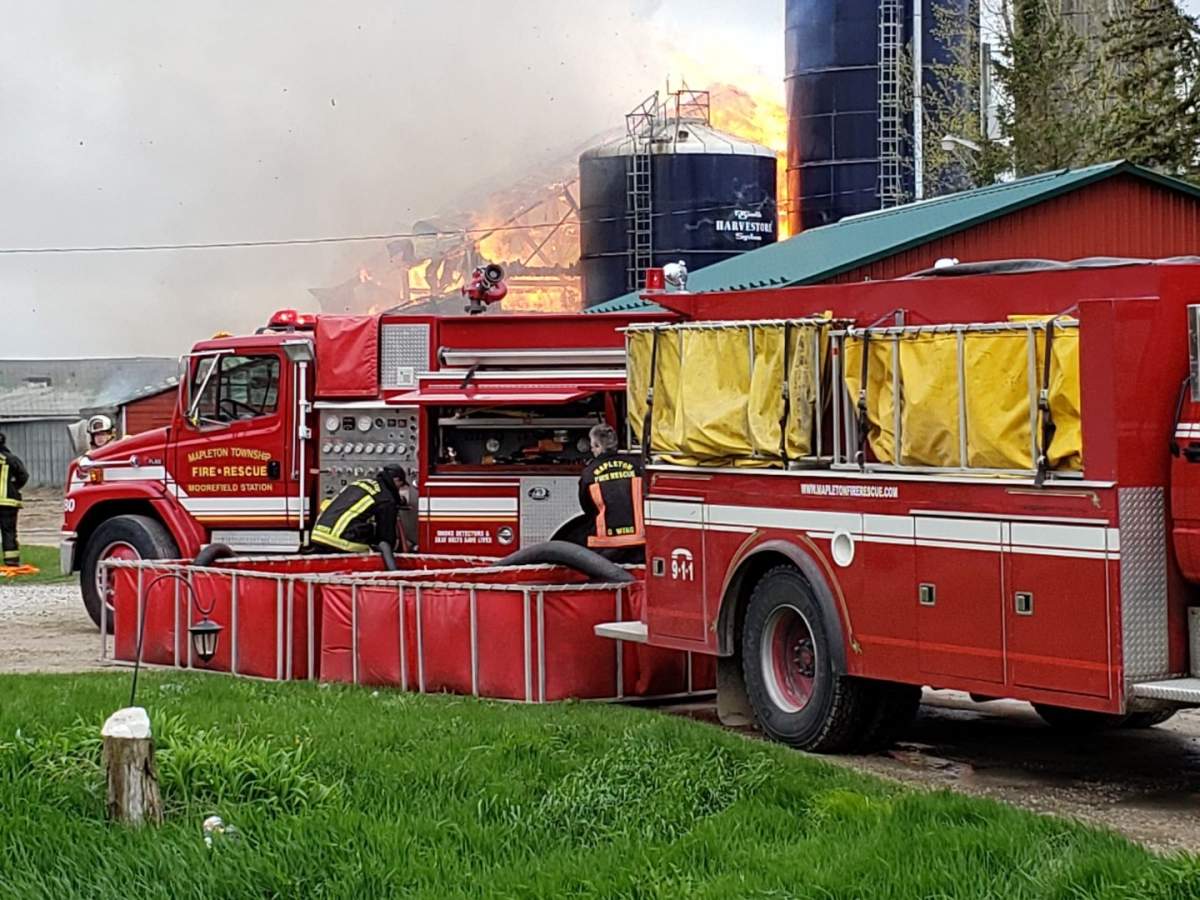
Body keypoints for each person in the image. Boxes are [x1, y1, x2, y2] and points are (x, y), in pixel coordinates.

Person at [577, 423, 645, 564]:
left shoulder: (589, 473)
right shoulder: (637, 465)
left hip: (605, 545)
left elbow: (587, 508)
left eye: (592, 446)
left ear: (597, 446)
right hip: (638, 541)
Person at [309, 465, 408, 554]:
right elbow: (386, 533)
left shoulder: (361, 482)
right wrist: (388, 550)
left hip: (318, 534)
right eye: (401, 485)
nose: (400, 489)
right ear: (396, 480)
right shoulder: (386, 498)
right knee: (372, 536)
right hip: (340, 540)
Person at [0, 432, 29, 568]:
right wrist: (14, 487)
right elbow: (23, 475)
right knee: (9, 531)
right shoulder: (11, 459)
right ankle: (11, 561)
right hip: (8, 502)